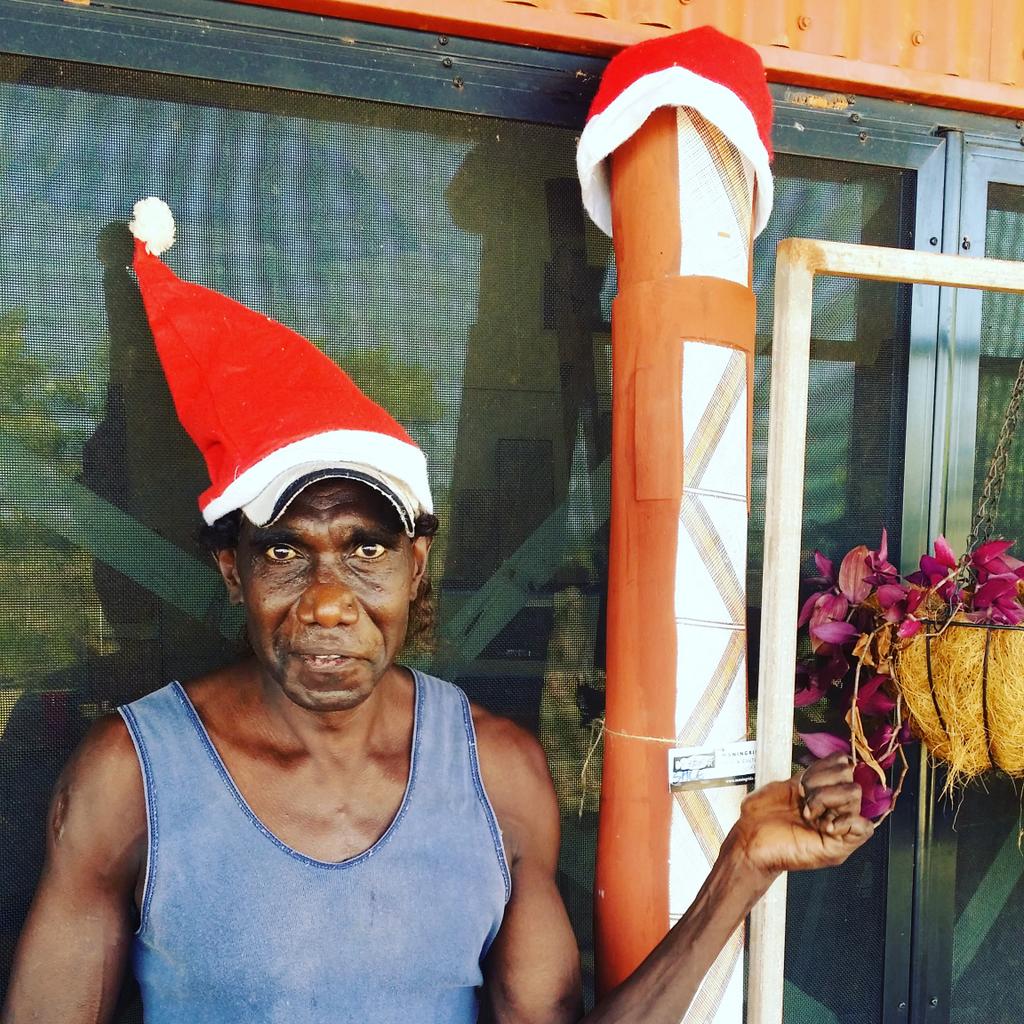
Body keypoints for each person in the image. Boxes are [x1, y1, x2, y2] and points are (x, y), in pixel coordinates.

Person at [3, 200, 873, 1024]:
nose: (331, 601)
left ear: (418, 566)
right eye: (284, 551)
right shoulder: (131, 775)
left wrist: (741, 869)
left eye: (367, 549)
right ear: (233, 573)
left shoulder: (495, 774)